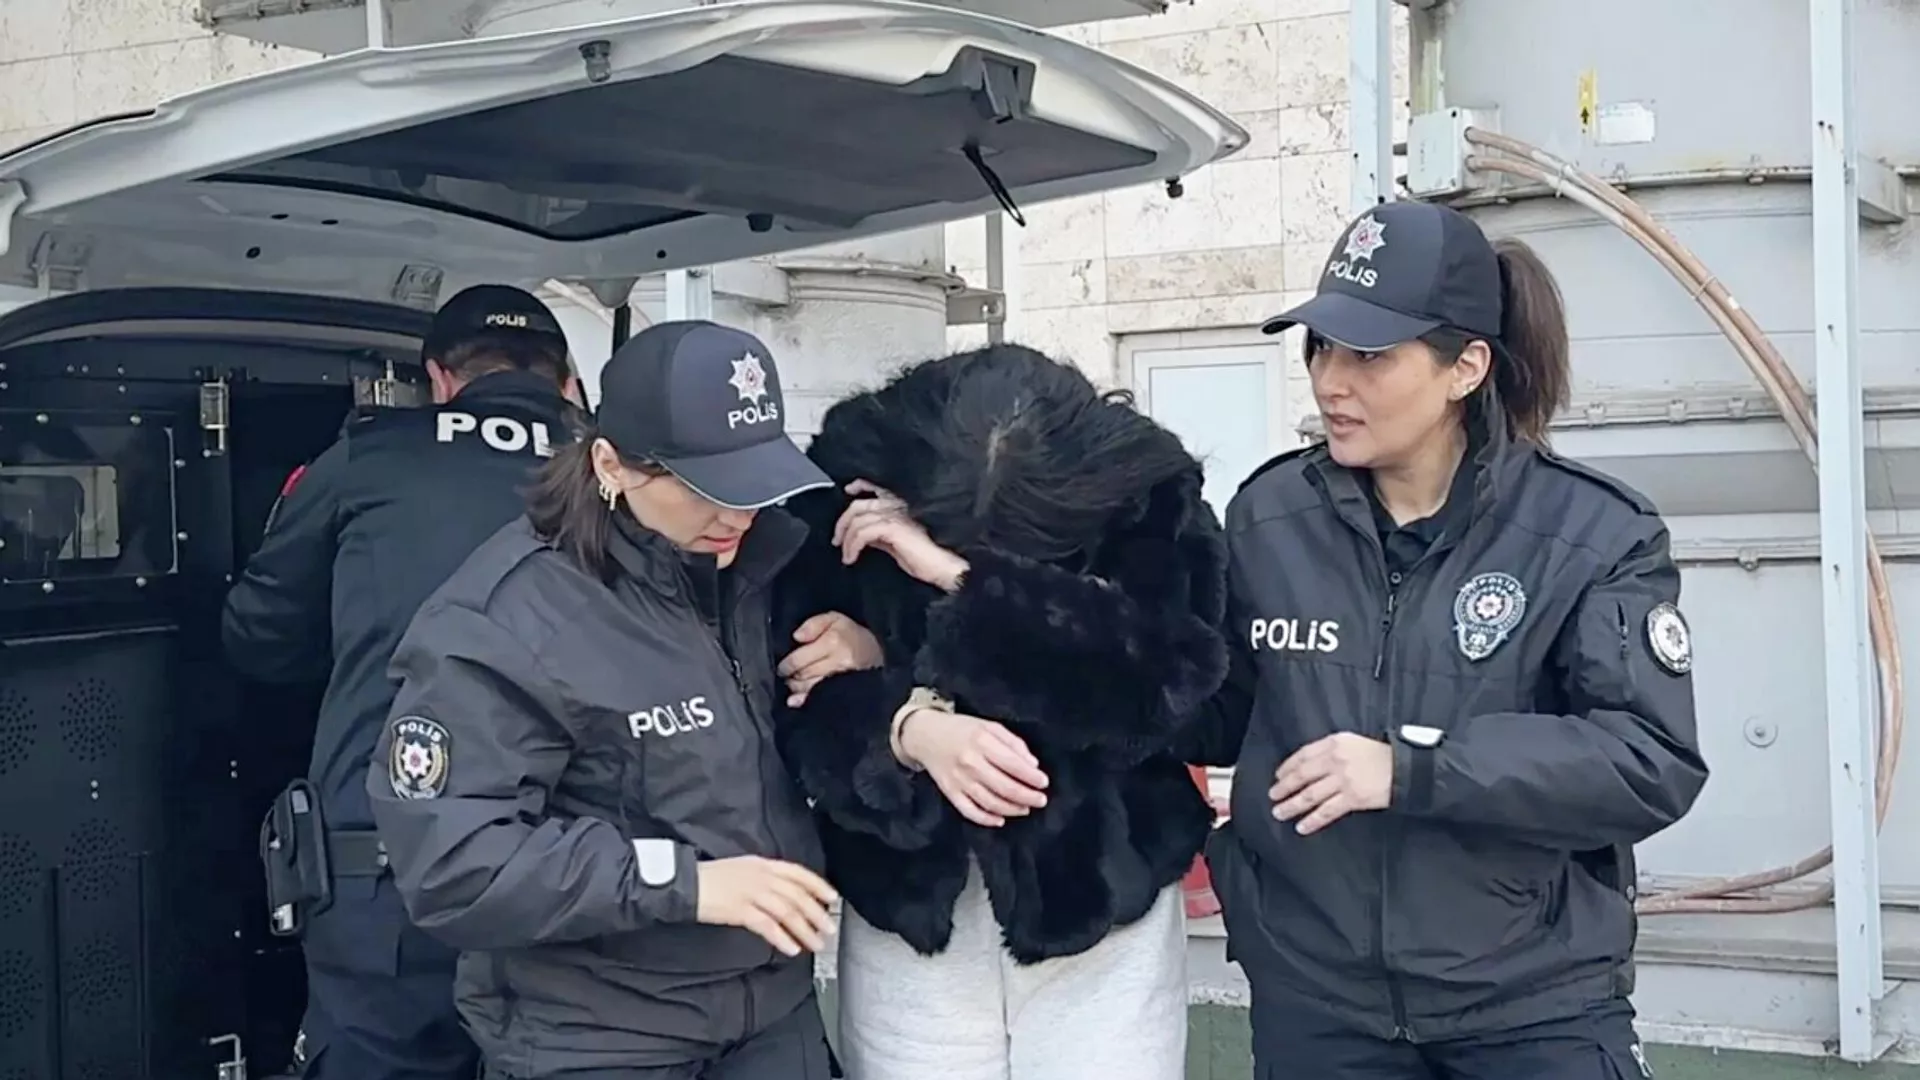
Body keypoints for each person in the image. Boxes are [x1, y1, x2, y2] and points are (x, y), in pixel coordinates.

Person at [1197, 199, 1710, 1079]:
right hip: (1319, 1008)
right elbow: (1207, 708)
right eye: (1321, 347)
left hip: (1531, 1007)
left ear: (1465, 367)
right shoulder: (1267, 517)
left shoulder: (1591, 533)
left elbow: (1646, 761)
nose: (1330, 382)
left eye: (1369, 356)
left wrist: (1413, 768)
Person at [368, 320, 862, 1080]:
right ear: (610, 464)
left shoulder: (762, 565)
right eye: (706, 489)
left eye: (755, 483)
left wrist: (863, 652)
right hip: (598, 1036)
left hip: (772, 1015)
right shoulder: (504, 621)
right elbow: (455, 862)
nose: (737, 515)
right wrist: (684, 882)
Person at [771, 343, 1234, 1080]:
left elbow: (1177, 686)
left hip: (1101, 898)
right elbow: (793, 708)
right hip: (912, 905)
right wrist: (907, 727)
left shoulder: (1144, 500)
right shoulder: (845, 497)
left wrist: (959, 581)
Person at [222, 284, 582, 1080]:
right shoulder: (624, 470)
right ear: (567, 384)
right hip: (582, 872)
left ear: (440, 380)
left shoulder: (368, 457)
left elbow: (259, 638)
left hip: (392, 869)